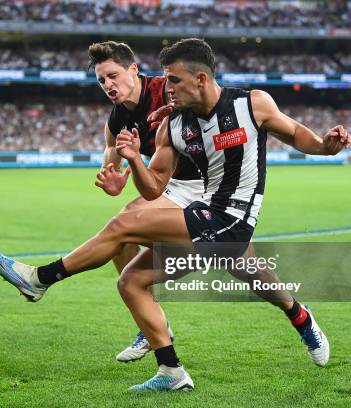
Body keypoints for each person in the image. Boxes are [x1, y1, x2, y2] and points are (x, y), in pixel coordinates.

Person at [0, 38, 351, 391]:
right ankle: (173, 370)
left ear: (201, 79)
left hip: (233, 217)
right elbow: (153, 188)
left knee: (125, 225)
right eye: (166, 80)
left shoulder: (251, 104)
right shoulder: (174, 125)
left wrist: (325, 146)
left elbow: (295, 133)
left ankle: (41, 278)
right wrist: (132, 157)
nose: (168, 89)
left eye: (174, 81)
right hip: (201, 211)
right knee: (131, 281)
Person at [89, 41, 204, 362]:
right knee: (120, 230)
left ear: (133, 70)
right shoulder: (115, 121)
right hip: (173, 186)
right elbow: (110, 164)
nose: (108, 85)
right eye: (101, 81)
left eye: (112, 75)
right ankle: (151, 322)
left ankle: (299, 316)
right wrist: (111, 180)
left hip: (213, 184)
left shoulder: (166, 90)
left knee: (250, 272)